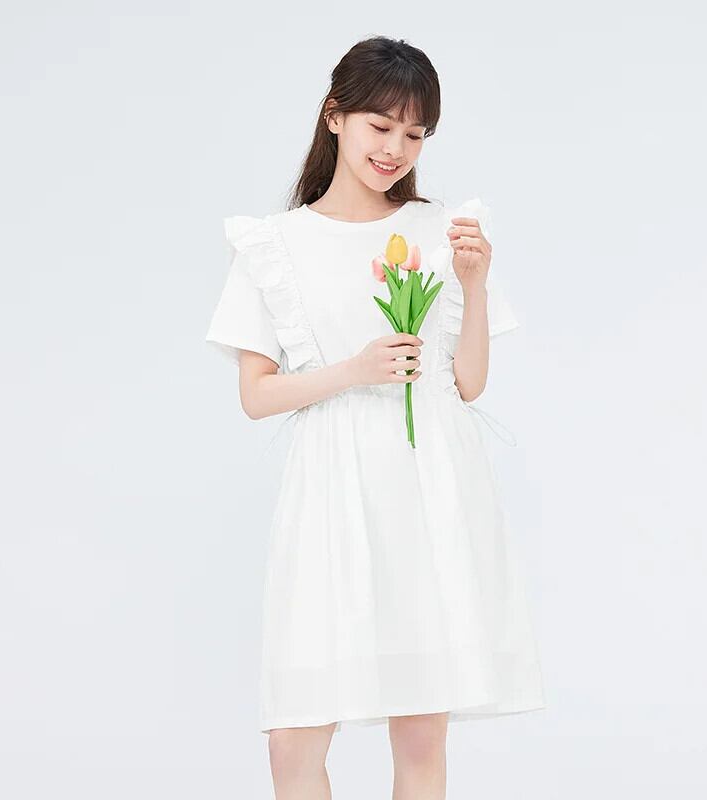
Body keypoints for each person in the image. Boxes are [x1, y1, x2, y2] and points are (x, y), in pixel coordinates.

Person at [206, 35, 545, 800]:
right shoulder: (275, 245)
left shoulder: (441, 230)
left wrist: (474, 284)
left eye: (415, 134)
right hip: (330, 493)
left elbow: (469, 383)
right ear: (335, 116)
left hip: (428, 491)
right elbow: (256, 395)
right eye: (380, 126)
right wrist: (353, 371)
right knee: (293, 740)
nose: (396, 149)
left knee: (420, 734)